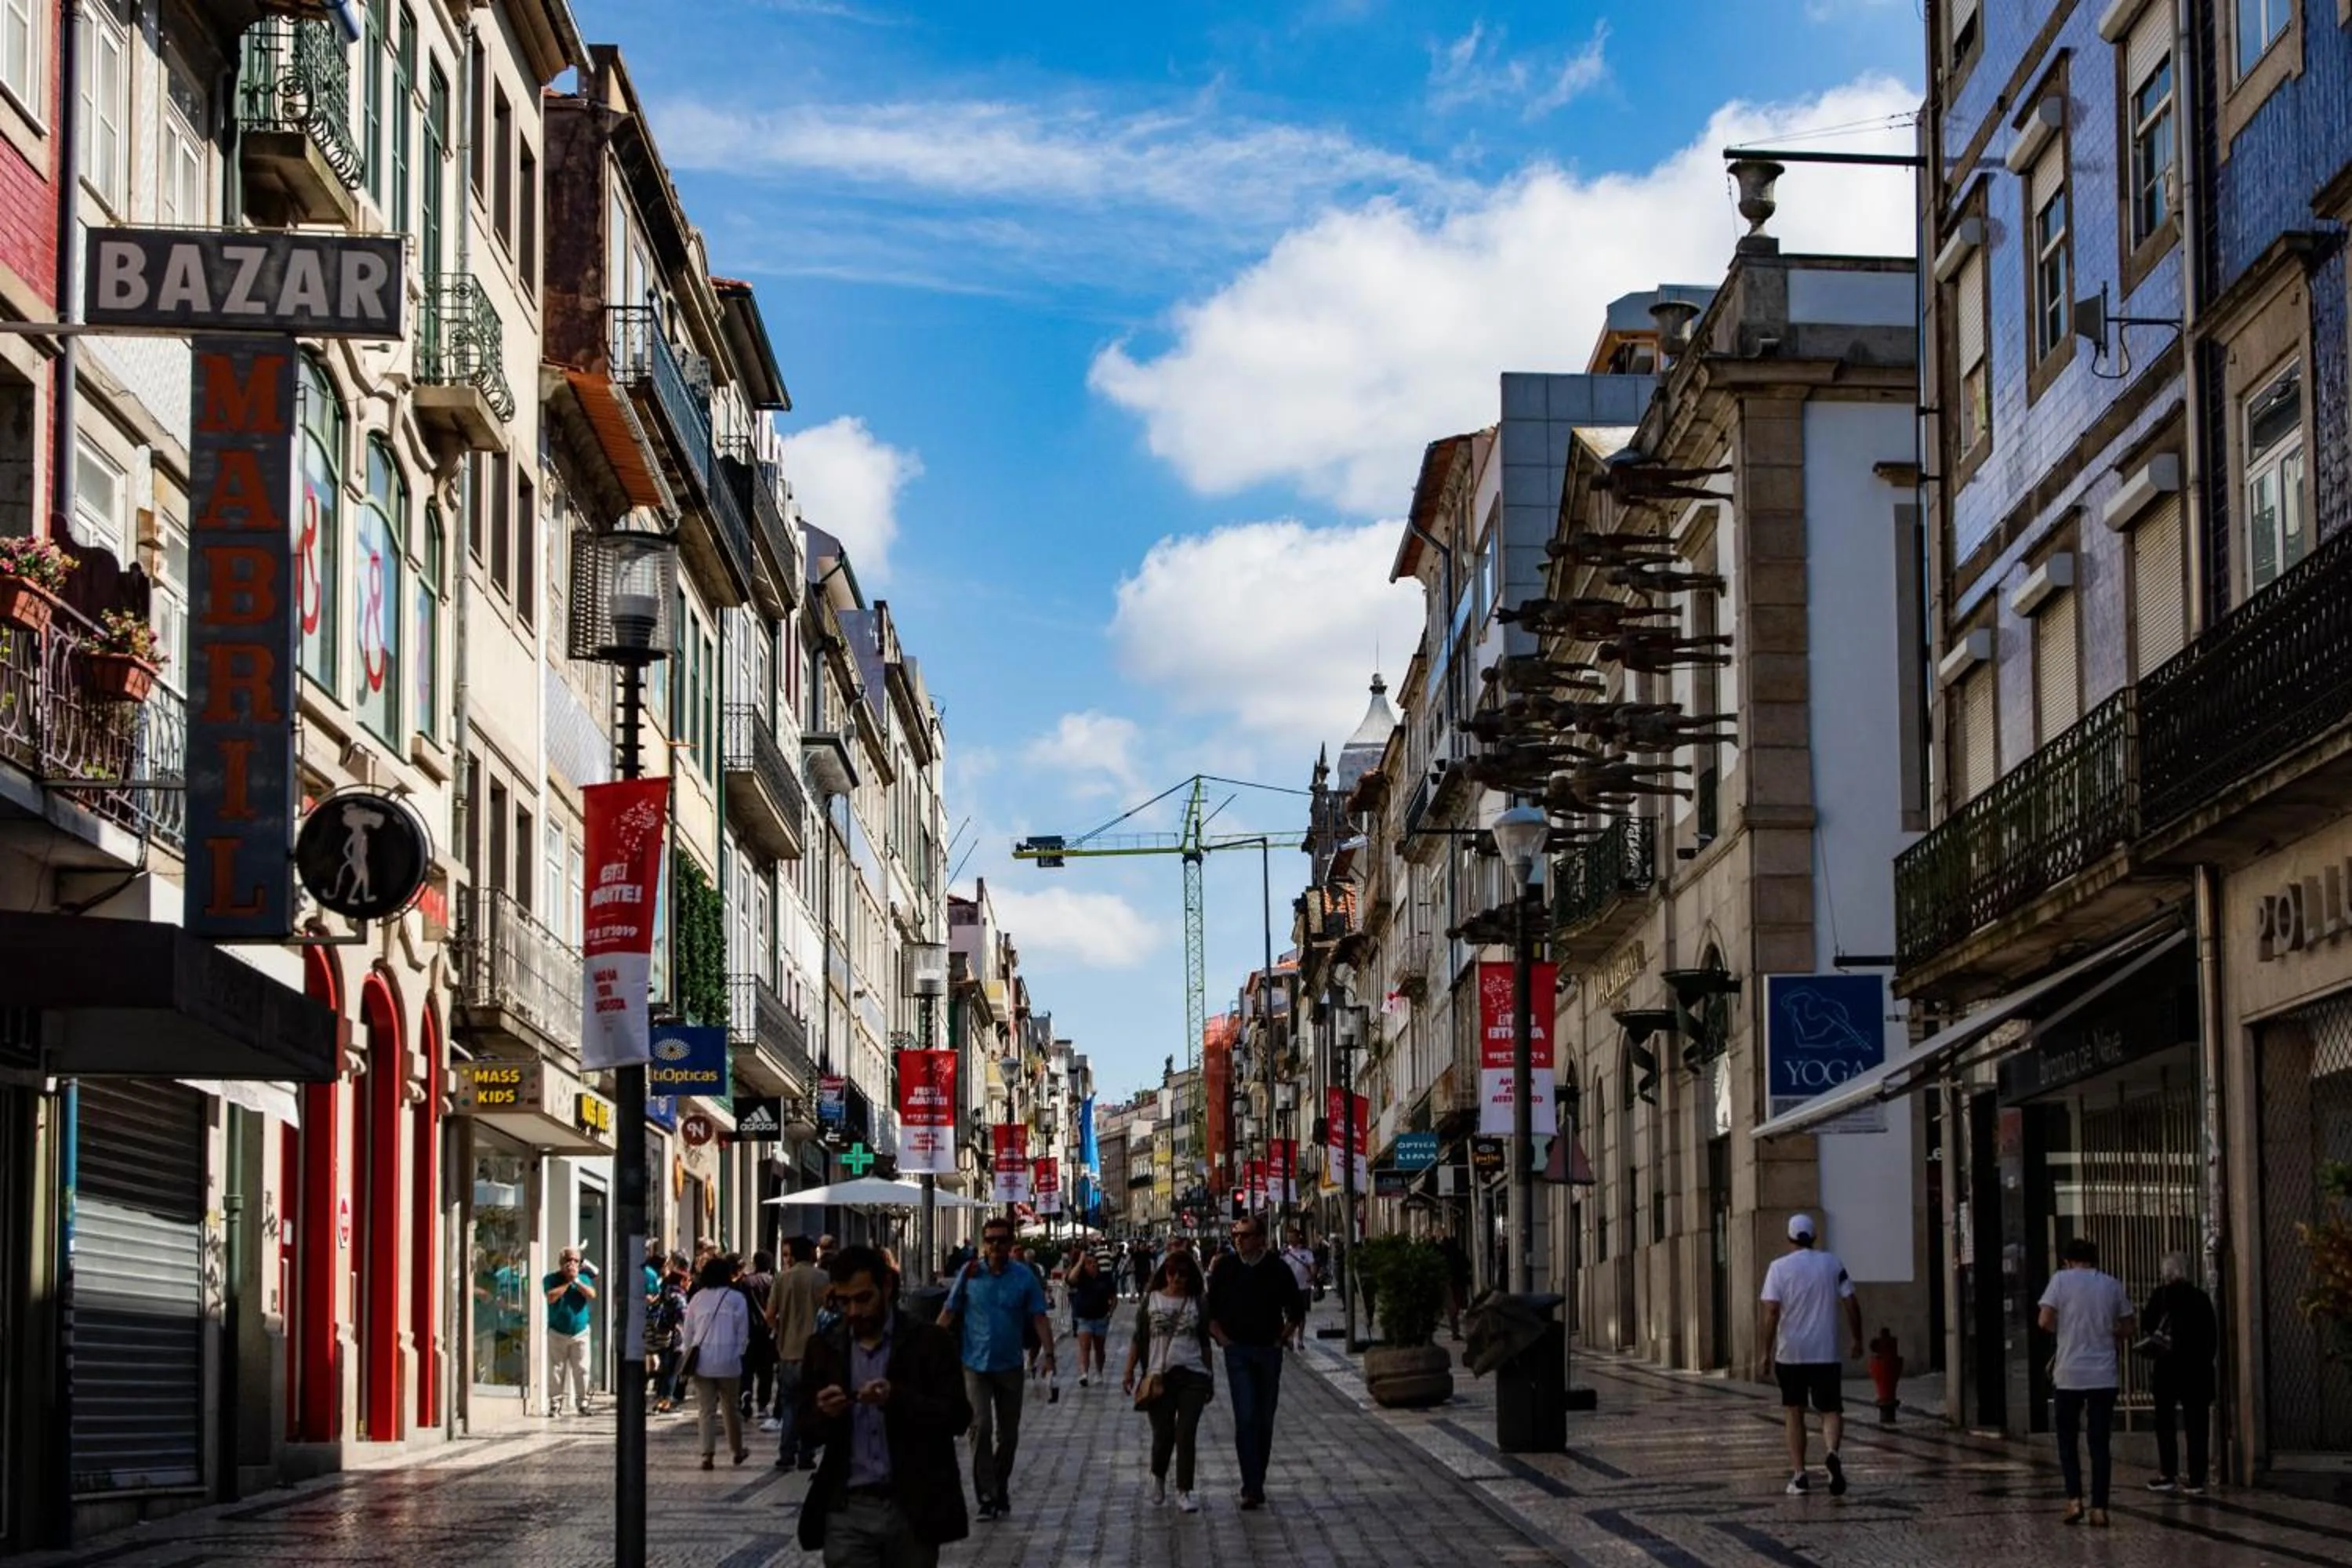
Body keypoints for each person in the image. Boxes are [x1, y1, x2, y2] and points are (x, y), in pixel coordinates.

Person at [797, 1244, 972, 1567]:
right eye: (843, 1301)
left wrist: (897, 1399)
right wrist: (823, 1412)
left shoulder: (928, 1343)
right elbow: (804, 1429)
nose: (853, 1312)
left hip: (911, 1505)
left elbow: (957, 1417)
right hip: (848, 1509)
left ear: (887, 1287)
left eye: (863, 1299)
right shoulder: (825, 1348)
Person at [938, 1214, 1055, 1520]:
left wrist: (1050, 1354)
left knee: (1009, 1435)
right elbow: (949, 1312)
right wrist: (928, 1347)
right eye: (990, 1240)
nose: (995, 1246)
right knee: (980, 1428)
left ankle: (999, 1485)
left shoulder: (1023, 1277)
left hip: (1009, 1365)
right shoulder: (970, 1273)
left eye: (1001, 1240)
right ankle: (987, 1496)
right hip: (974, 1363)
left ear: (1011, 1242)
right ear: (983, 1242)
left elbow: (1039, 1316)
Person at [1758, 1213, 1862, 1498]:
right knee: (1831, 1409)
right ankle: (1831, 1453)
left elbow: (1771, 1312)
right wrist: (1857, 1338)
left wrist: (1765, 1352)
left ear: (1789, 1238)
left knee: (1794, 1412)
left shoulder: (1778, 1268)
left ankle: (1800, 1475)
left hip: (1791, 1353)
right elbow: (1850, 1301)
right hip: (1825, 1351)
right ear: (1814, 1237)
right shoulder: (1832, 1263)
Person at [1206, 1214, 1305, 1510]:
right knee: (1246, 1416)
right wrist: (1222, 1338)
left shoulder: (1276, 1268)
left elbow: (1295, 1308)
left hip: (1268, 1350)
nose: (1239, 1240)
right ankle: (1251, 1486)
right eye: (1236, 1234)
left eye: (1246, 1235)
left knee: (1264, 1419)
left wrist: (1281, 1338)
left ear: (1261, 1239)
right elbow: (1209, 1309)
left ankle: (1256, 1477)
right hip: (1237, 1351)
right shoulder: (1225, 1268)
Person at [2040, 1236, 2136, 1526]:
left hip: (2069, 1373)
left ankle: (2074, 1501)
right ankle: (2100, 1508)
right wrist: (2111, 1336)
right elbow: (2129, 1325)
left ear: (2067, 1261)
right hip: (2103, 1373)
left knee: (2068, 1441)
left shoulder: (2060, 1281)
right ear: (2095, 1260)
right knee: (2099, 1443)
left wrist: (2066, 1332)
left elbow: (2044, 1321)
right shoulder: (2111, 1284)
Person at [1123, 1248, 1215, 1512]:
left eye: (1183, 1274)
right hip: (1158, 1375)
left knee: (1186, 1433)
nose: (1177, 1278)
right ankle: (1158, 1475)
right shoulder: (1151, 1300)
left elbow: (1205, 1342)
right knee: (1163, 1434)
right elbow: (1139, 1338)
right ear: (1164, 1273)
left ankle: (1184, 1490)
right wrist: (1129, 1372)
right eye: (1172, 1272)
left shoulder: (1198, 1302)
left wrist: (1210, 1376)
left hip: (1193, 1374)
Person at [2142, 1251, 2219, 1497]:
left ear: (2165, 1273)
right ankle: (2197, 1478)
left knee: (2165, 1422)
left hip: (2168, 1369)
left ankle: (2168, 1474)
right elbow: (2211, 1336)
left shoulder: (2160, 1297)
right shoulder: (2201, 1298)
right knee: (2197, 1424)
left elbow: (2148, 1326)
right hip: (2197, 1370)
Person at [683, 1254, 753, 1469]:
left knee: (706, 1410)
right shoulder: (737, 1299)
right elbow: (743, 1333)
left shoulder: (697, 1299)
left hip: (703, 1362)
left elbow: (688, 1333)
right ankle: (737, 1450)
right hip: (729, 1362)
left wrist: (689, 1353)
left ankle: (707, 1454)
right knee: (731, 1408)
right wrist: (738, 1352)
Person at [769, 1234, 830, 1468]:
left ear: (793, 1255)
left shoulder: (782, 1279)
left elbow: (769, 1315)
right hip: (816, 1354)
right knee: (811, 1405)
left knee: (789, 1404)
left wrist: (781, 1330)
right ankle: (807, 1454)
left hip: (789, 1352)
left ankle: (786, 1453)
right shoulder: (824, 1278)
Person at [541, 1245, 598, 1417]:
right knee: (556, 1370)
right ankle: (555, 1404)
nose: (572, 1264)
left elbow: (591, 1294)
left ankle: (583, 1403)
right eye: (568, 1260)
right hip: (557, 1332)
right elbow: (551, 1297)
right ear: (561, 1263)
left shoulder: (584, 1278)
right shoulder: (550, 1279)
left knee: (582, 1369)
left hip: (580, 1332)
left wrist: (577, 1281)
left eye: (576, 1261)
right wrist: (568, 1281)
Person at [1065, 1245, 1116, 1388]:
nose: (1092, 1265)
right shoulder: (1082, 1278)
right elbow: (1070, 1279)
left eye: (1094, 1263)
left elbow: (1114, 1297)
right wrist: (1080, 1262)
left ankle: (1099, 1372)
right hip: (1084, 1318)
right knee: (1085, 1346)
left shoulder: (1104, 1279)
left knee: (1099, 1348)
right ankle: (1084, 1373)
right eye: (1089, 1263)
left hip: (1101, 1317)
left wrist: (1110, 1313)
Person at [647, 1251, 691, 1414]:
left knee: (666, 1370)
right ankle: (666, 1401)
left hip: (664, 1336)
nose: (689, 1284)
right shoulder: (678, 1297)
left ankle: (660, 1399)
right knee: (673, 1371)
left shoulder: (664, 1292)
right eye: (687, 1281)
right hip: (676, 1338)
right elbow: (684, 1317)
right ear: (682, 1281)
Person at [742, 1250, 779, 1423]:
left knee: (747, 1368)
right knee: (766, 1371)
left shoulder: (746, 1282)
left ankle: (746, 1393)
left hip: (749, 1332)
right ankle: (763, 1405)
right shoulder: (773, 1282)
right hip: (768, 1333)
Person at [1436, 1233, 1473, 1340]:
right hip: (1456, 1284)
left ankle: (1453, 1331)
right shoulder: (1458, 1254)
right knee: (1453, 1309)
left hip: (1448, 1283)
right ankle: (1455, 1332)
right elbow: (1467, 1265)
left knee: (1449, 1309)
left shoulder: (1442, 1256)